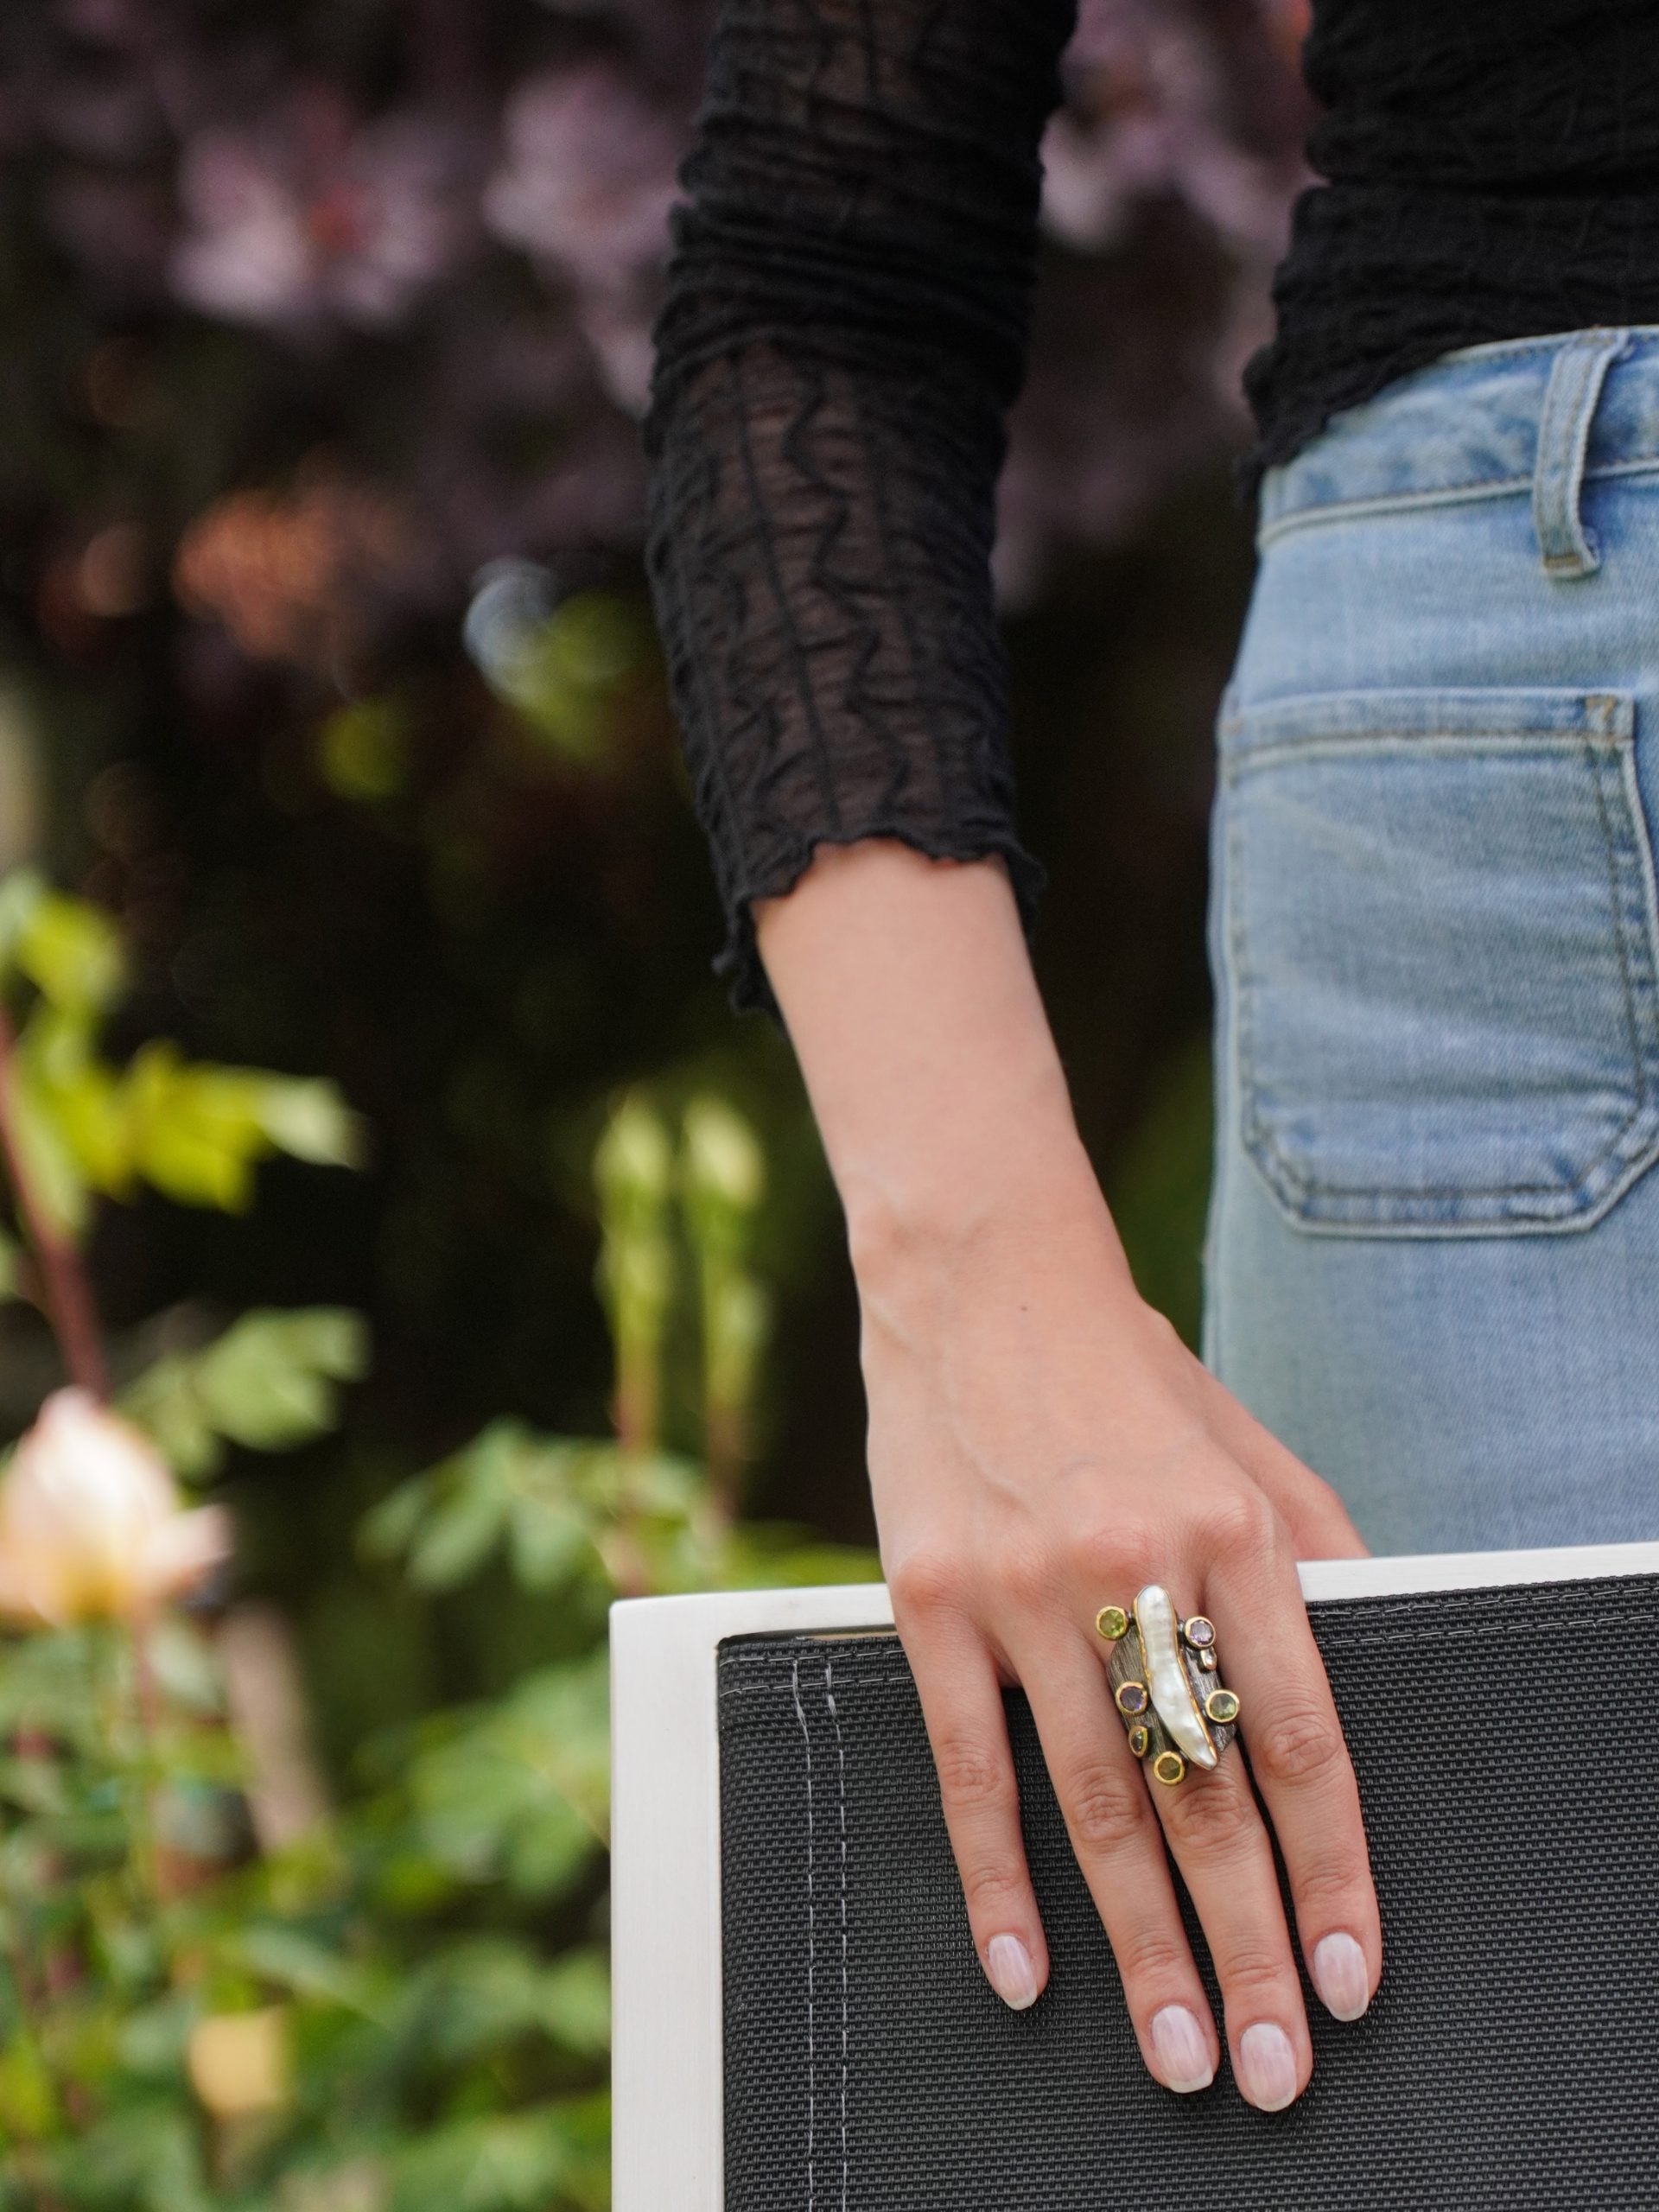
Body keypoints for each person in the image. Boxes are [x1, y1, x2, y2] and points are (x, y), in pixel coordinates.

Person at [639, 0, 1659, 2116]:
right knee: (1487, 2109)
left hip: (1514, 686)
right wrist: (981, 1290)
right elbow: (824, 269)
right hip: (1533, 725)